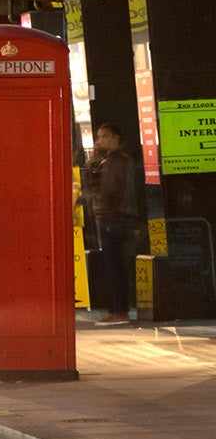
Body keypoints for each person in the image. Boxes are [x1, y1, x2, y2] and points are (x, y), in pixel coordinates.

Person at [86, 121, 139, 325]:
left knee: (114, 265)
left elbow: (105, 190)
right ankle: (118, 309)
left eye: (104, 136)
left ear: (116, 137)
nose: (100, 140)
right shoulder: (118, 161)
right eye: (99, 137)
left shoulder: (112, 163)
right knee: (116, 265)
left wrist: (99, 206)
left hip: (112, 217)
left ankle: (118, 311)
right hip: (118, 216)